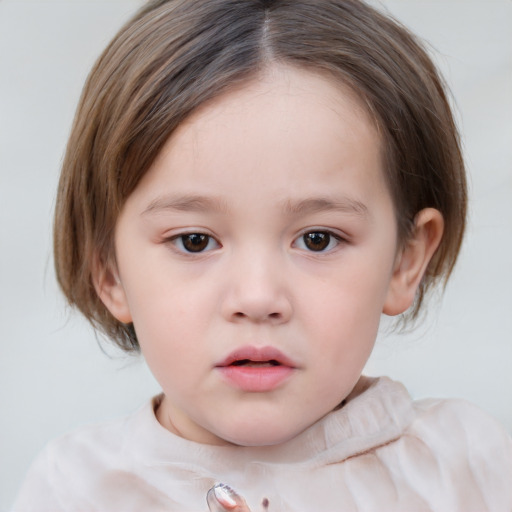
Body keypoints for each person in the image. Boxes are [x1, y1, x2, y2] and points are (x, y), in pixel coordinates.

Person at [13, 0, 512, 510]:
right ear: (110, 271)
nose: (256, 298)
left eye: (317, 239)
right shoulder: (76, 491)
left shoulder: (462, 467)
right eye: (195, 241)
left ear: (405, 260)